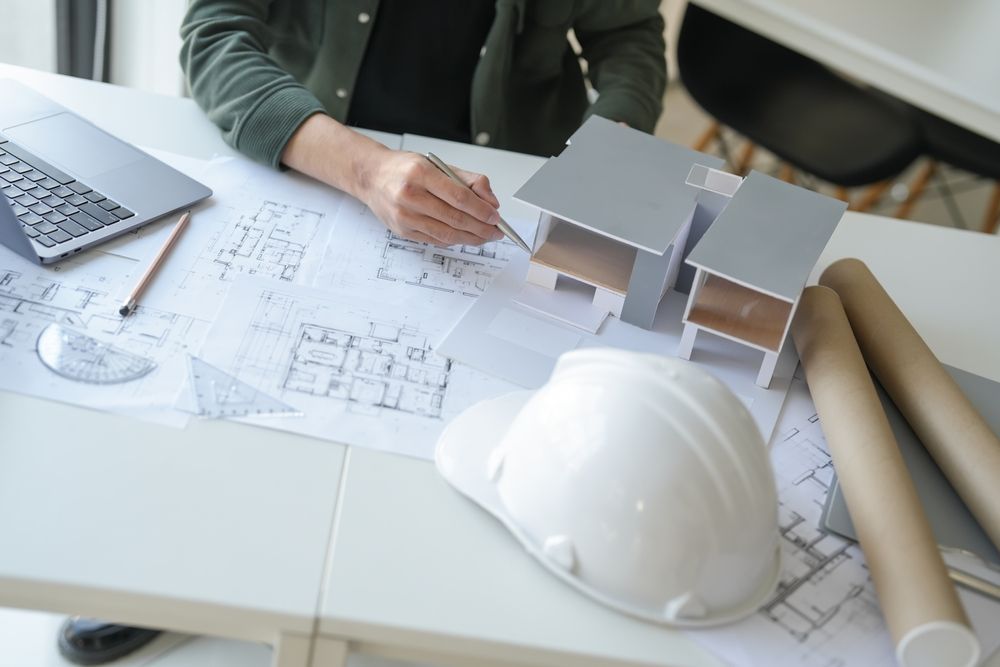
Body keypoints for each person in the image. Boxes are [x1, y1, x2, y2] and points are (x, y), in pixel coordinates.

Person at [57, 0, 665, 663]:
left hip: (502, 204)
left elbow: (628, 35)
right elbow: (215, 34)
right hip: (310, 164)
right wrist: (366, 169)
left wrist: (605, 154)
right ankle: (184, 570)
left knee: (487, 433)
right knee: (238, 392)